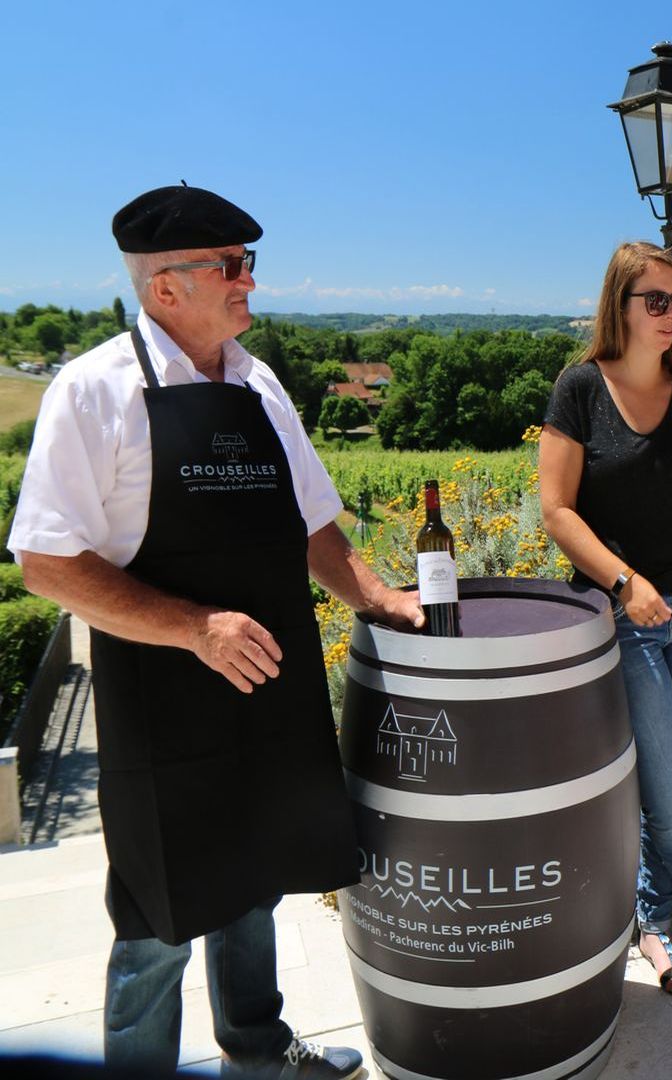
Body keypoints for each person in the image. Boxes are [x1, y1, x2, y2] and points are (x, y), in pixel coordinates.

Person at [7, 184, 422, 1078]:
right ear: (166, 287)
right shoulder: (94, 391)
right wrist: (193, 627)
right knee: (159, 919)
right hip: (165, 707)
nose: (250, 285)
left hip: (268, 684)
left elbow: (316, 528)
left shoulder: (258, 382)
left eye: (248, 265)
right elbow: (46, 562)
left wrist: (385, 599)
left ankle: (259, 1050)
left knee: (257, 877)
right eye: (231, 268)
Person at [538, 241, 672, 996]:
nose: (670, 314)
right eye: (654, 300)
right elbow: (556, 511)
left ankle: (648, 915)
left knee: (664, 776)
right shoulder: (579, 389)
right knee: (667, 777)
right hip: (618, 614)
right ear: (619, 306)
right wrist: (626, 582)